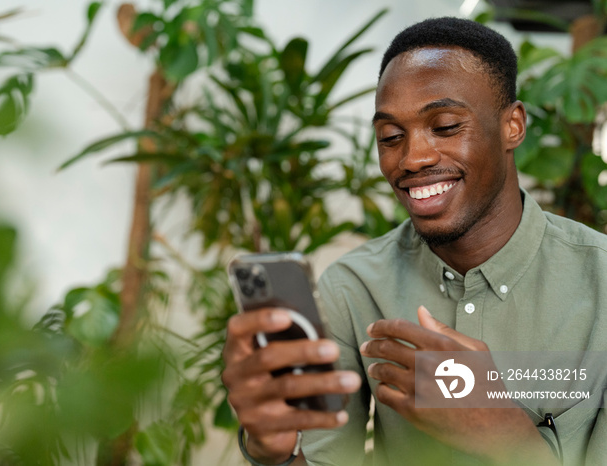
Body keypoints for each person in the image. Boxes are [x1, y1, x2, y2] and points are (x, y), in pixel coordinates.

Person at [221, 17, 607, 466]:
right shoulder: (353, 287)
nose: (413, 157)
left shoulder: (600, 282)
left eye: (445, 126)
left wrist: (507, 436)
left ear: (513, 126)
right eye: (390, 137)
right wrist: (274, 449)